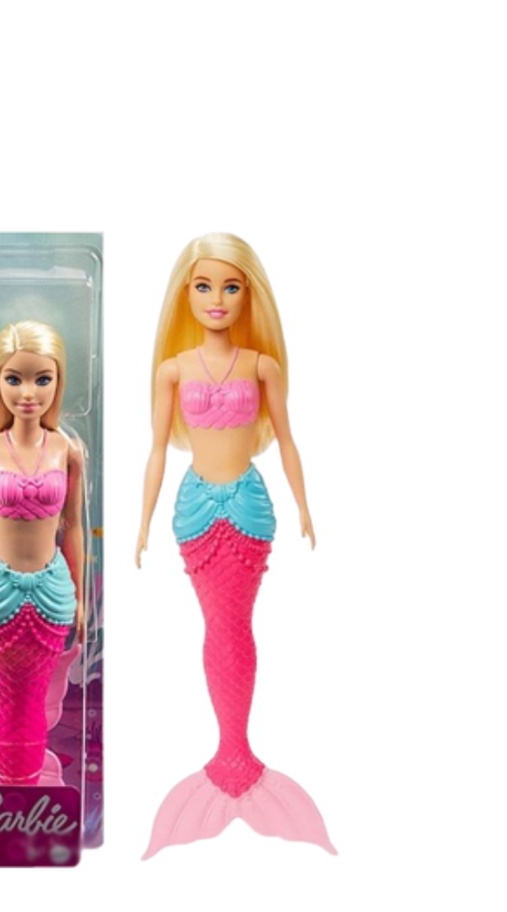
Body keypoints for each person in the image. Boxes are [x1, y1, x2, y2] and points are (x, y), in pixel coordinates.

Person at [136, 234, 335, 856]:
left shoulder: (261, 366)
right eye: (203, 286)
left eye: (230, 286)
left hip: (249, 506)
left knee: (234, 625)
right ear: (185, 294)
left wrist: (304, 505)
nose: (216, 298)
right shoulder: (173, 370)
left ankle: (235, 754)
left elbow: (289, 440)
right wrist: (142, 521)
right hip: (195, 507)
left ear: (250, 295)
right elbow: (155, 450)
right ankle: (231, 754)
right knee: (217, 625)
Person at [0, 320, 85, 786]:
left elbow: (74, 528)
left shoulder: (67, 451)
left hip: (53, 593)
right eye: (14, 379)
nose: (28, 392)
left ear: (57, 382)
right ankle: (8, 785)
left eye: (42, 379)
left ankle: (28, 785)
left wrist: (82, 598)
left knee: (34, 699)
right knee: (10, 698)